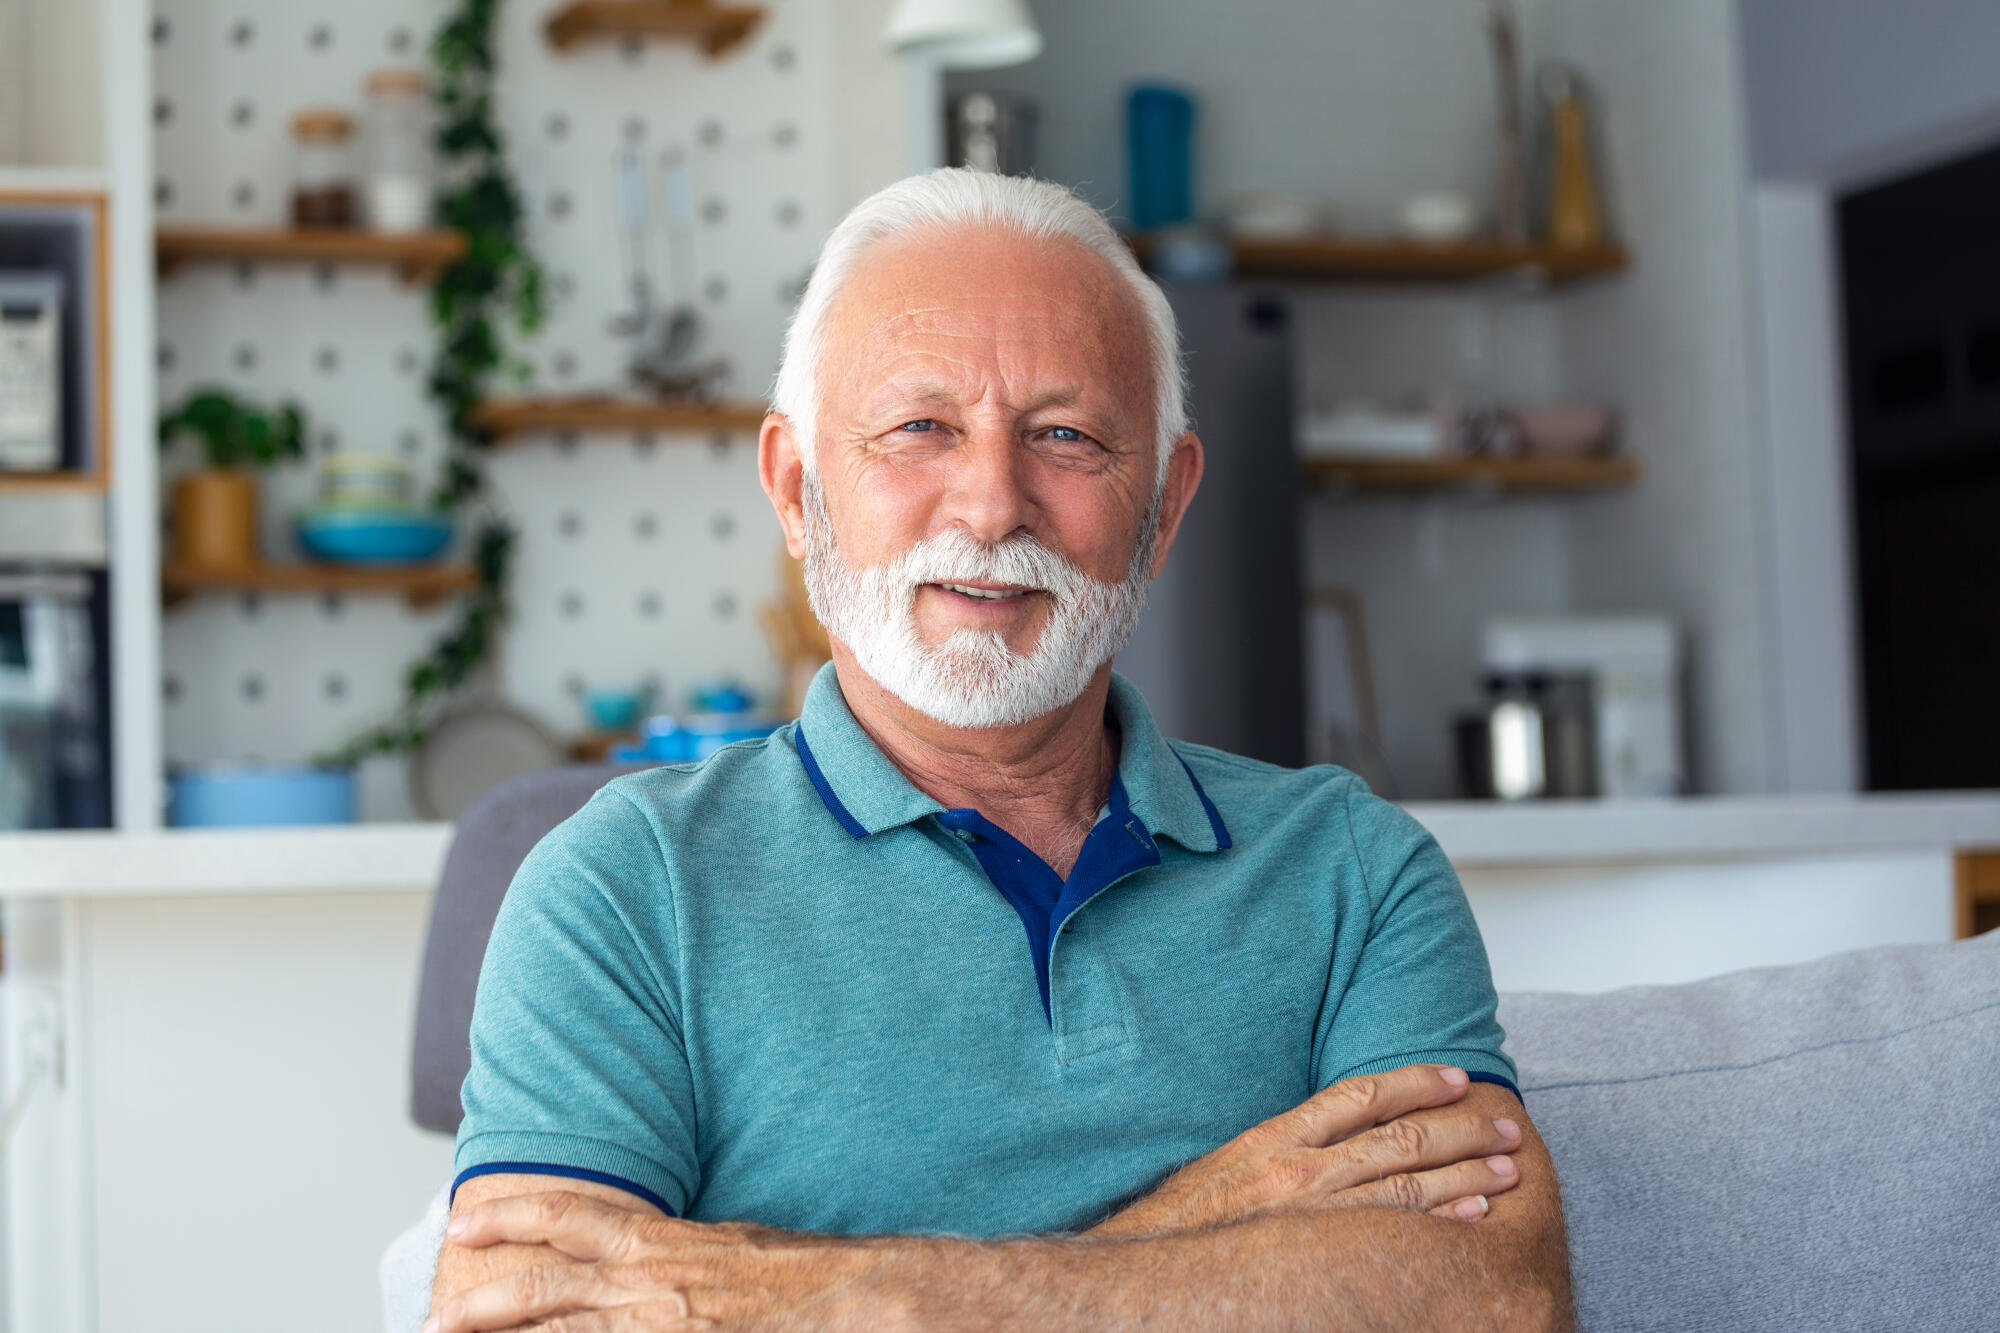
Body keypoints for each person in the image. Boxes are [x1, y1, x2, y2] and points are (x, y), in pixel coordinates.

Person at [424, 169, 1571, 1331]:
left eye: (1065, 437)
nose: (988, 504)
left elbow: (1495, 1301)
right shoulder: (621, 885)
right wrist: (1211, 1219)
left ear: (1163, 507)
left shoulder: (1352, 870)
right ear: (793, 486)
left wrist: (838, 1295)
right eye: (919, 428)